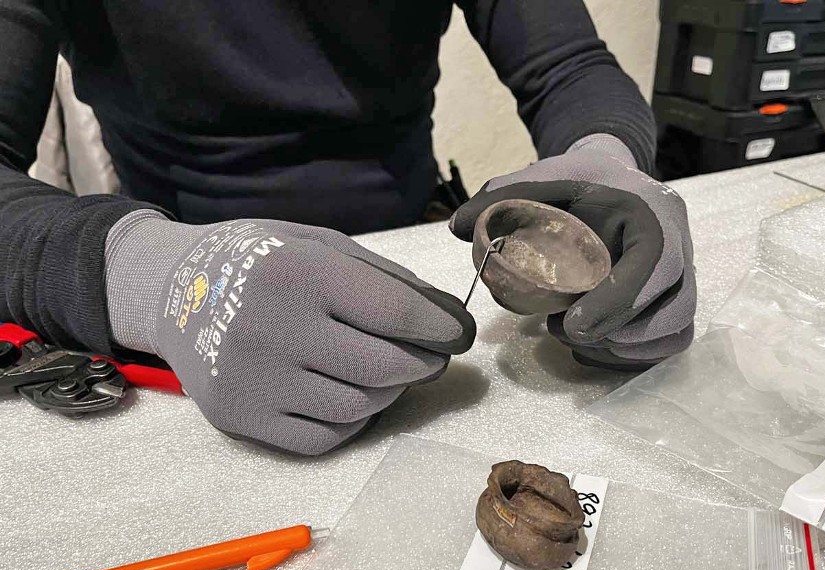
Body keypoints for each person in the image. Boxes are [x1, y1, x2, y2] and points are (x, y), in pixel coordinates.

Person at [0, 0, 696, 455]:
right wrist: (155, 277)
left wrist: (605, 161)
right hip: (188, 324)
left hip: (413, 255)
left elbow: (569, 67)